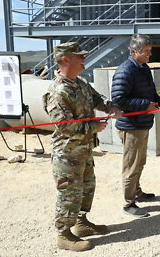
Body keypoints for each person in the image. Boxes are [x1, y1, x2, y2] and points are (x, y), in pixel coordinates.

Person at [43, 42, 120, 251]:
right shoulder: (58, 91)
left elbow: (97, 99)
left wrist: (110, 106)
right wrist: (94, 126)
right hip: (67, 154)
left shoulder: (80, 83)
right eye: (79, 56)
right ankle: (64, 235)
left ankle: (80, 223)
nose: (84, 58)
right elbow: (64, 126)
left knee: (86, 187)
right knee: (69, 193)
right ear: (66, 59)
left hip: (83, 150)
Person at [111, 34, 160, 218]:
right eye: (146, 51)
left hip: (142, 124)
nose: (149, 54)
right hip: (131, 126)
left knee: (140, 162)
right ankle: (128, 202)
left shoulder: (143, 68)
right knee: (131, 165)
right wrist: (144, 105)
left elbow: (152, 95)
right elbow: (119, 100)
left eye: (150, 51)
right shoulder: (125, 71)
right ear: (135, 51)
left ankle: (137, 192)